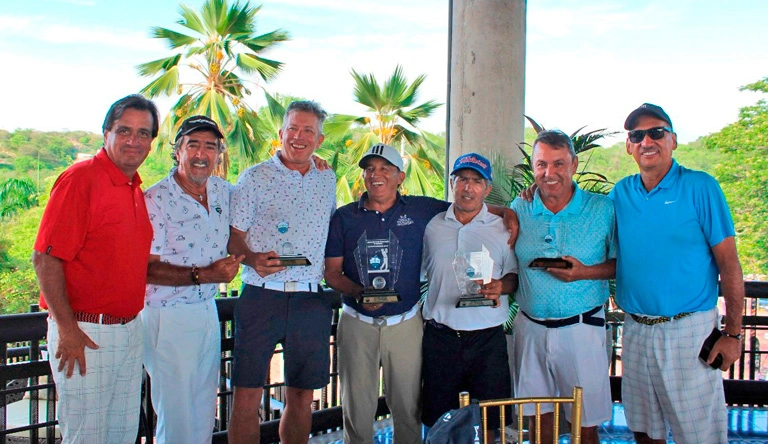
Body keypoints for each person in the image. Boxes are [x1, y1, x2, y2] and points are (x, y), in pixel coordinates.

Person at [612, 103, 744, 444]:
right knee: (643, 429)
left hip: (689, 330)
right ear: (628, 146)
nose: (646, 141)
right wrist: (524, 199)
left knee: (700, 434)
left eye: (656, 132)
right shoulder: (621, 193)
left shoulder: (701, 187)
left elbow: (729, 264)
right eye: (637, 135)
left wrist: (733, 334)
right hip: (636, 329)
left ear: (673, 140)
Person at [31, 94, 160, 443]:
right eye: (124, 130)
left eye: (143, 133)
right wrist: (68, 330)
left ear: (151, 141)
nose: (134, 140)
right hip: (86, 333)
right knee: (86, 436)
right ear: (106, 133)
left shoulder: (133, 187)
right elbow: (45, 258)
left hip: (129, 330)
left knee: (121, 434)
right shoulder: (81, 179)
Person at [324, 143, 450, 444]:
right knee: (357, 409)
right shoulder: (344, 217)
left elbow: (467, 209)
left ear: (400, 176)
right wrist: (359, 293)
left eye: (384, 168)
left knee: (408, 408)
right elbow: (331, 273)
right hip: (357, 324)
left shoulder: (420, 210)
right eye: (369, 169)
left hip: (405, 324)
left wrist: (506, 213)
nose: (375, 174)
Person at [227, 100, 336, 444]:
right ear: (281, 132)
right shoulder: (254, 177)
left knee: (302, 396)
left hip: (310, 299)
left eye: (308, 131)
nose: (299, 137)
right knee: (247, 395)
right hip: (262, 297)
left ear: (319, 140)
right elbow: (233, 236)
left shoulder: (327, 176)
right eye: (293, 128)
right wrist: (251, 258)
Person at [510, 129, 616, 444]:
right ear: (533, 167)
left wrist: (585, 273)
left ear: (574, 164)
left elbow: (623, 264)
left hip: (581, 329)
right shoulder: (520, 206)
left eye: (558, 164)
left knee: (585, 424)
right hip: (530, 328)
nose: (549, 172)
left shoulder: (603, 208)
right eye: (541, 164)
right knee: (537, 421)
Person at [142, 115, 244, 444]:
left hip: (207, 309)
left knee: (203, 411)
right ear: (178, 151)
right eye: (193, 145)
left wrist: (311, 164)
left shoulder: (224, 191)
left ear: (219, 154)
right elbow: (146, 268)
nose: (202, 154)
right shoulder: (155, 199)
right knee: (176, 416)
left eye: (210, 147)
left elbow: (264, 204)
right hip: (167, 314)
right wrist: (207, 274)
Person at [421, 153, 518, 442]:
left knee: (490, 423)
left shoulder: (504, 229)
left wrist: (500, 286)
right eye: (462, 179)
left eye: (477, 181)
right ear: (452, 183)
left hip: (488, 340)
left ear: (487, 189)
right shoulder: (431, 226)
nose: (468, 187)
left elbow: (514, 277)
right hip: (441, 338)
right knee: (438, 421)